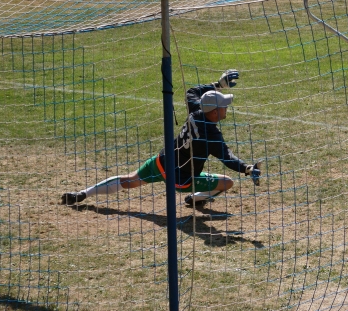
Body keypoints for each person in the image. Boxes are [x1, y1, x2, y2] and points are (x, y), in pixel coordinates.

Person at [61, 71, 261, 209]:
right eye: (224, 105)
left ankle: (83, 193)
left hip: (162, 161)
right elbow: (227, 158)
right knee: (227, 183)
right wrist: (247, 168)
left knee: (129, 180)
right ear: (215, 112)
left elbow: (191, 92)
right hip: (180, 181)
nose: (226, 107)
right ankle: (195, 198)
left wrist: (218, 85)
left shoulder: (197, 110)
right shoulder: (212, 136)